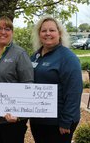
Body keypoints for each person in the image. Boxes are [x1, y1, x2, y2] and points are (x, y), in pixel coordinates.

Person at [30, 15, 83, 143]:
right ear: (39, 34)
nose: (48, 33)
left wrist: (66, 121)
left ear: (59, 33)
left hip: (58, 123)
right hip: (39, 120)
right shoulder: (35, 56)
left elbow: (74, 92)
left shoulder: (68, 58)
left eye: (52, 30)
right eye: (44, 30)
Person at [0, 16, 34, 143]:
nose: (3, 32)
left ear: (12, 32)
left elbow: (28, 85)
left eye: (7, 29)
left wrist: (19, 115)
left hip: (11, 120)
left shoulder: (20, 54)